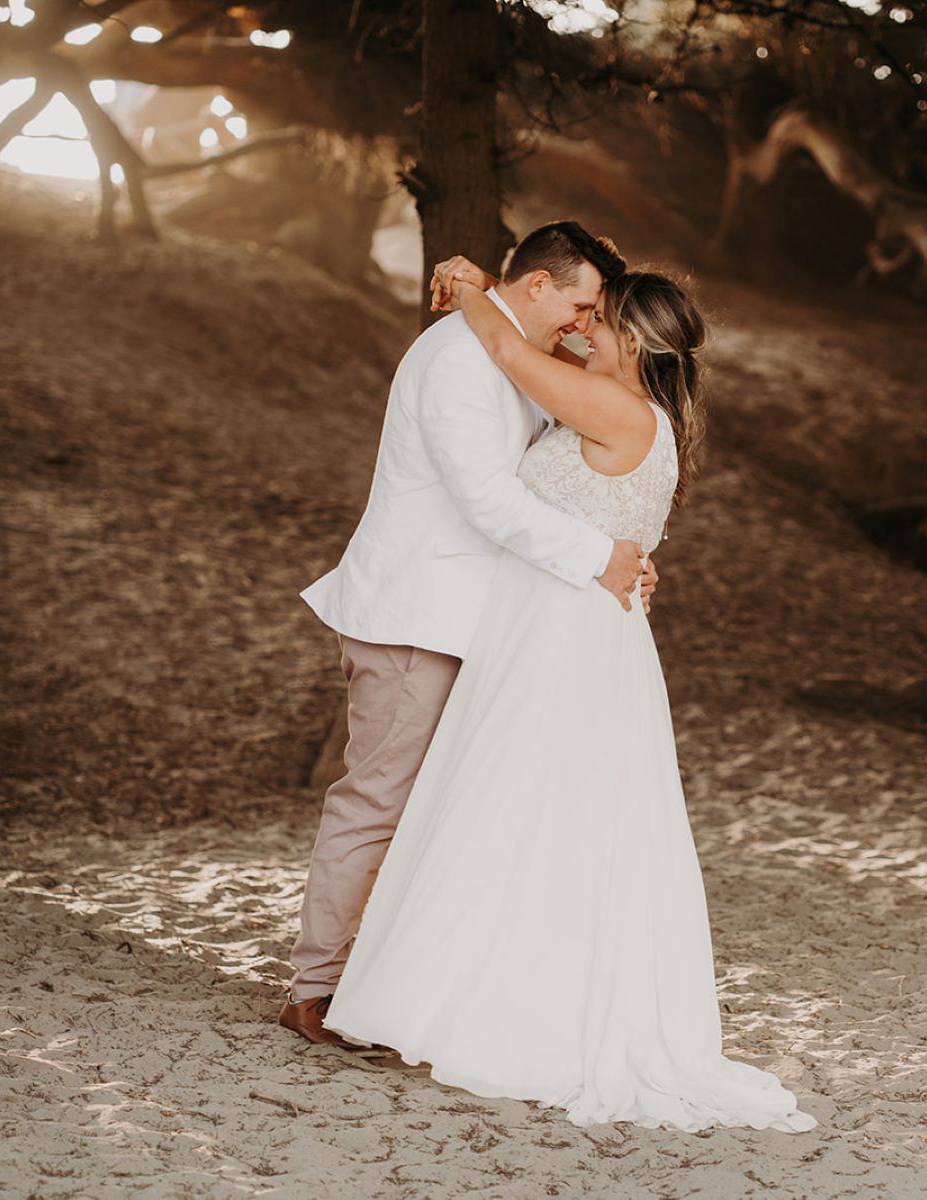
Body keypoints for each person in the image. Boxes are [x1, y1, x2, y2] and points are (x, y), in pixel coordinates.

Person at [320, 254, 817, 1133]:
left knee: (516, 808)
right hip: (561, 625)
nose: (584, 327)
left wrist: (472, 292)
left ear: (631, 339)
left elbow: (511, 359)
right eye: (581, 311)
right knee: (532, 814)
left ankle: (490, 1005)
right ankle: (473, 986)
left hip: (560, 636)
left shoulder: (616, 404)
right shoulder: (637, 411)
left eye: (600, 319)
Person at [284, 222, 658, 1046]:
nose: (583, 323)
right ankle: (315, 989)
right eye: (580, 303)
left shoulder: (505, 347)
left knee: (437, 809)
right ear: (538, 288)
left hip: (473, 622)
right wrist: (601, 557)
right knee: (375, 804)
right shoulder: (458, 360)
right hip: (416, 616)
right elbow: (488, 501)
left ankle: (384, 982)